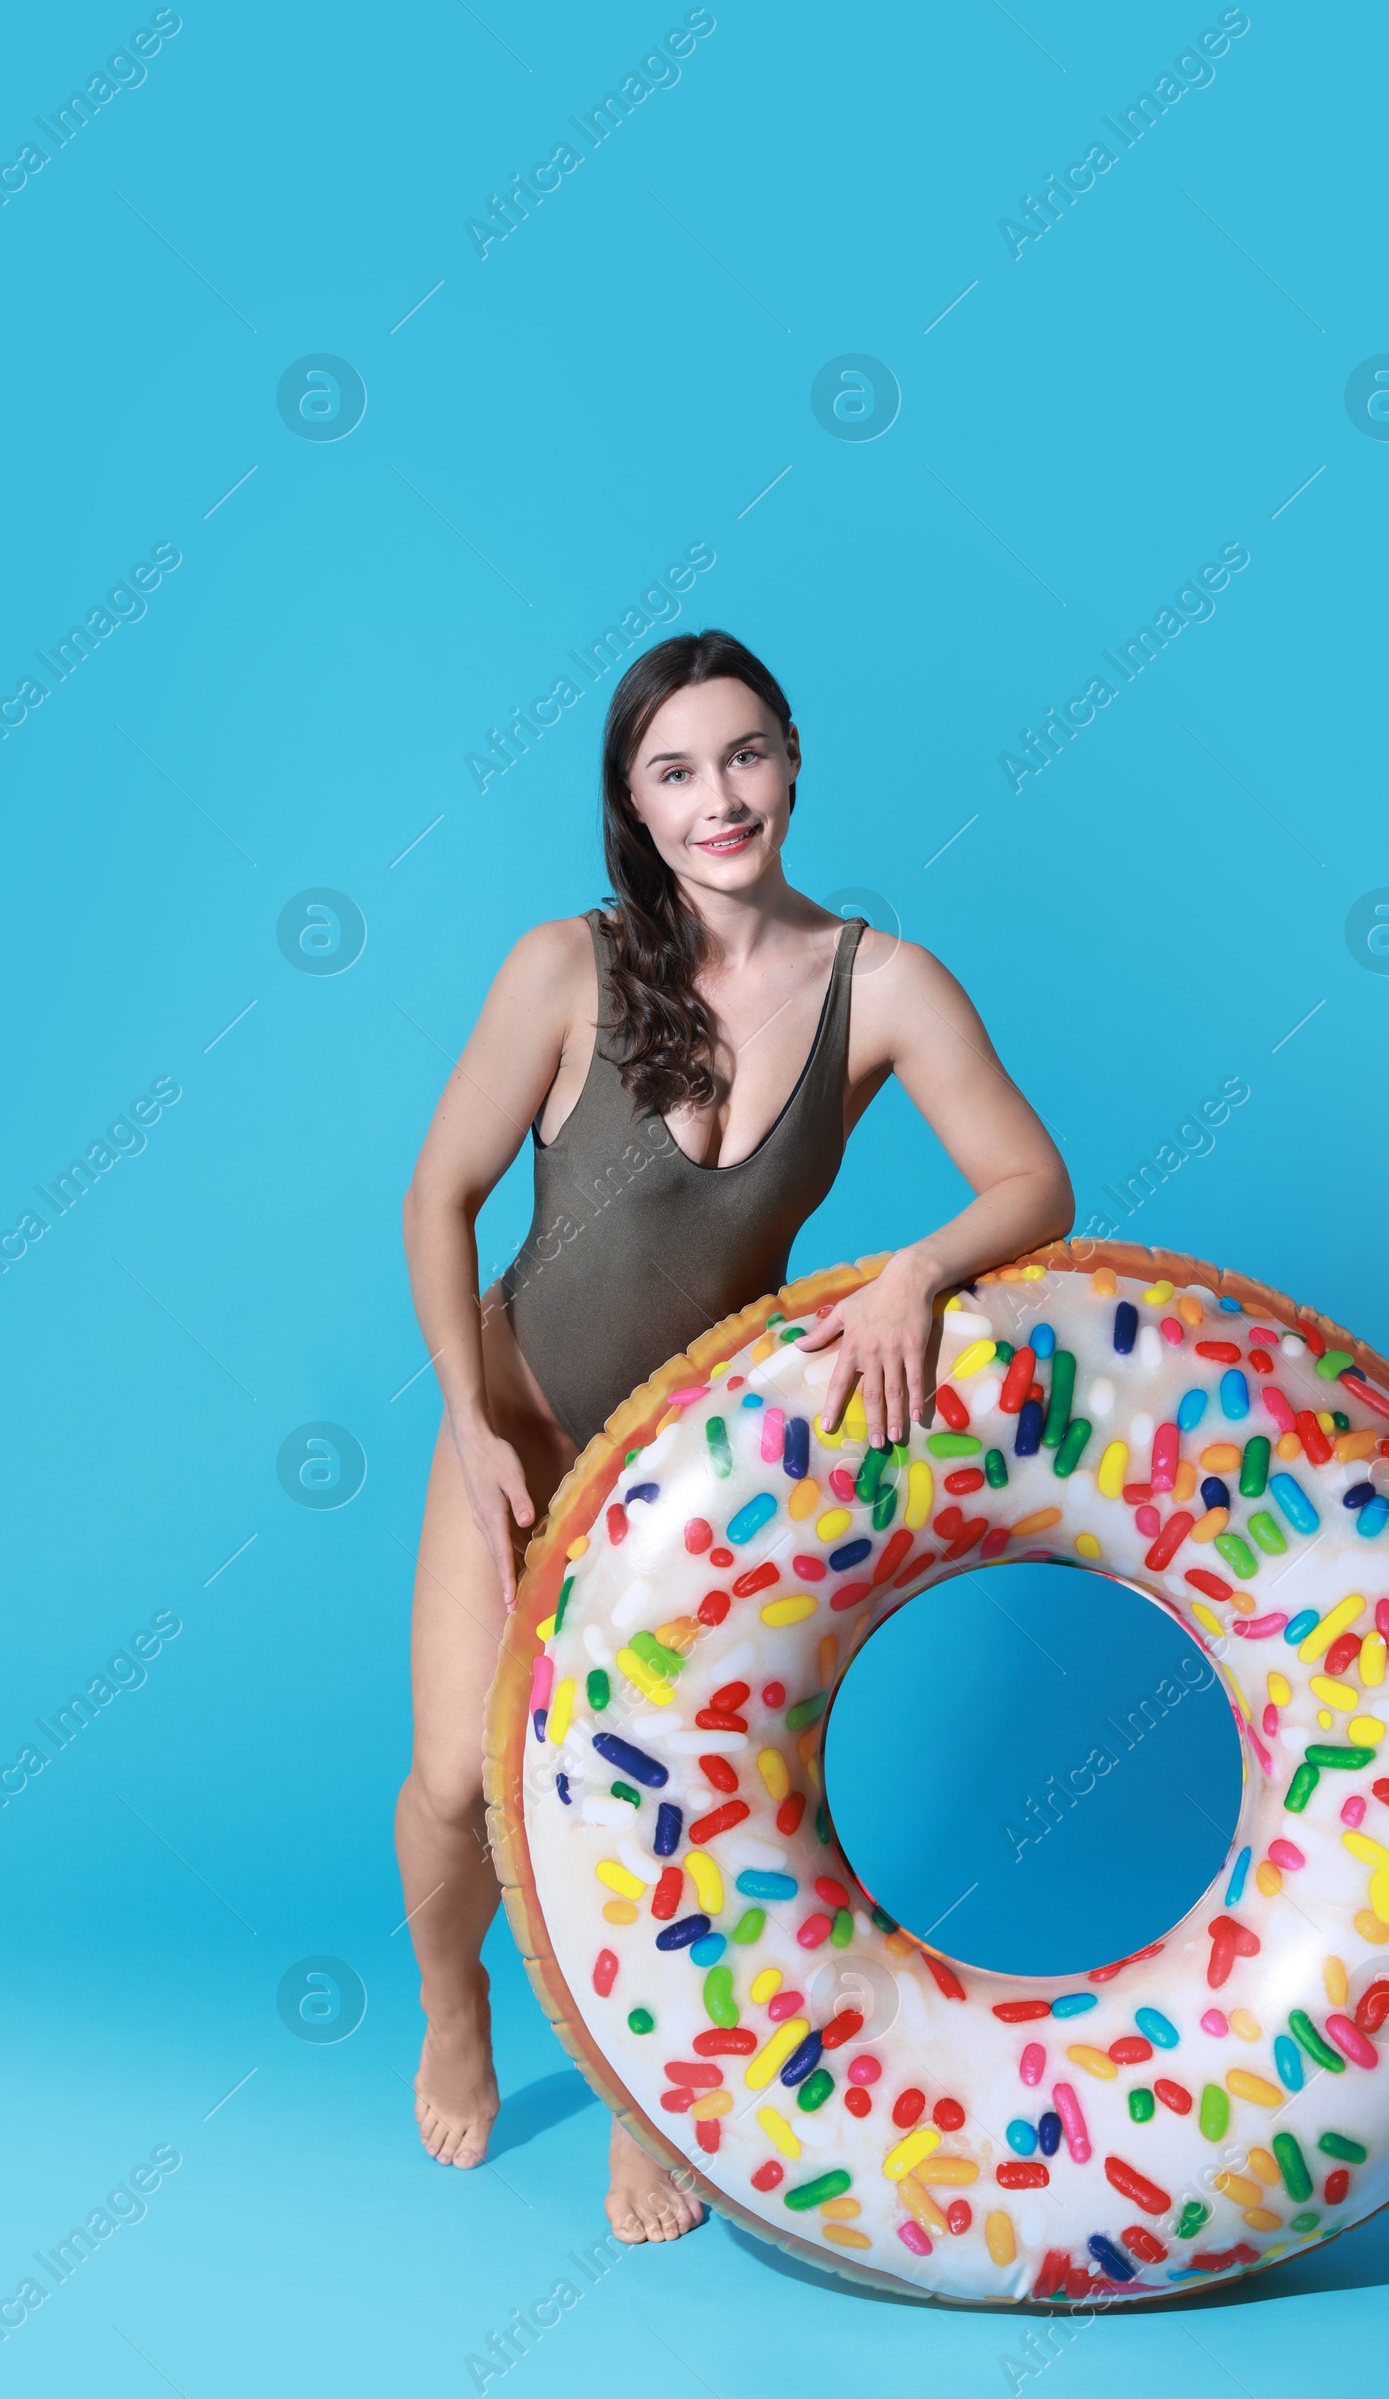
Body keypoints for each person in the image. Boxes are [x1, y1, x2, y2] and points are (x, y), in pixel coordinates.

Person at [395, 629, 1073, 2242]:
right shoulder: (561, 967)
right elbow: (438, 1195)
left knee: (640, 1803)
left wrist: (915, 1271)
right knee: (451, 1782)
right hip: (519, 1415)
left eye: (746, 755)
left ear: (793, 763)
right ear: (633, 804)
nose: (721, 798)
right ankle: (455, 2003)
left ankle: (643, 2099)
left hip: (681, 1474)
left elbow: (1035, 1187)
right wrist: (462, 1416)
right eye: (676, 772)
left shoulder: (882, 985)